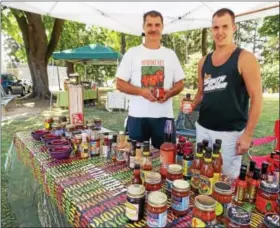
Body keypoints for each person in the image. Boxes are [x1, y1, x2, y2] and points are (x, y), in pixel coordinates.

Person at [185, 8, 262, 178]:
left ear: (233, 28)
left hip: (230, 134)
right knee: (201, 175)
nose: (220, 32)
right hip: (203, 128)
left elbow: (257, 98)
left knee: (225, 180)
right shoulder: (204, 61)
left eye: (225, 26)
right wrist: (192, 105)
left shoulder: (245, 58)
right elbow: (201, 93)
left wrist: (247, 134)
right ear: (212, 29)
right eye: (216, 27)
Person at [116, 10, 185, 149]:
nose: (153, 29)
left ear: (162, 27)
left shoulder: (170, 54)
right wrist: (141, 91)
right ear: (143, 27)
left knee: (167, 157)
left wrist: (169, 93)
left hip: (165, 116)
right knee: (135, 157)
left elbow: (180, 83)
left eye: (157, 25)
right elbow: (119, 83)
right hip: (137, 116)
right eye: (149, 25)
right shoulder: (132, 53)